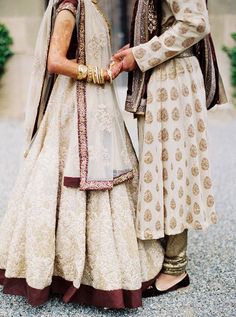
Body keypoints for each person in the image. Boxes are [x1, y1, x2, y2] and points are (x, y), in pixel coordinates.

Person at [0, 0, 164, 308]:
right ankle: (59, 268)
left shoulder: (93, 7)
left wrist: (113, 63)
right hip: (72, 107)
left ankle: (98, 263)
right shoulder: (69, 7)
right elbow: (55, 61)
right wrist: (97, 74)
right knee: (64, 181)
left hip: (96, 105)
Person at [113, 0, 227, 296]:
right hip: (162, 75)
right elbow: (163, 25)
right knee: (159, 171)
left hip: (174, 80)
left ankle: (176, 267)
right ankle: (164, 256)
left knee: (172, 171)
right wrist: (135, 50)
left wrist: (140, 54)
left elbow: (195, 23)